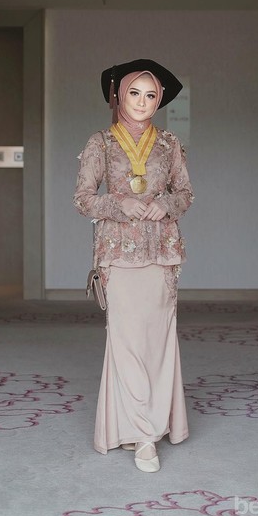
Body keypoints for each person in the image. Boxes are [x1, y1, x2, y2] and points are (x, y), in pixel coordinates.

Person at [73, 59, 194, 472]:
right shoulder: (101, 143)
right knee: (125, 342)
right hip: (119, 255)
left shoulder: (170, 144)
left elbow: (186, 193)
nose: (142, 102)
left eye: (150, 95)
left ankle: (143, 426)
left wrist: (166, 204)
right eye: (134, 93)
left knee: (157, 341)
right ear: (119, 96)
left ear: (159, 100)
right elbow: (83, 198)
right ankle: (143, 435)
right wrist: (117, 204)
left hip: (161, 252)